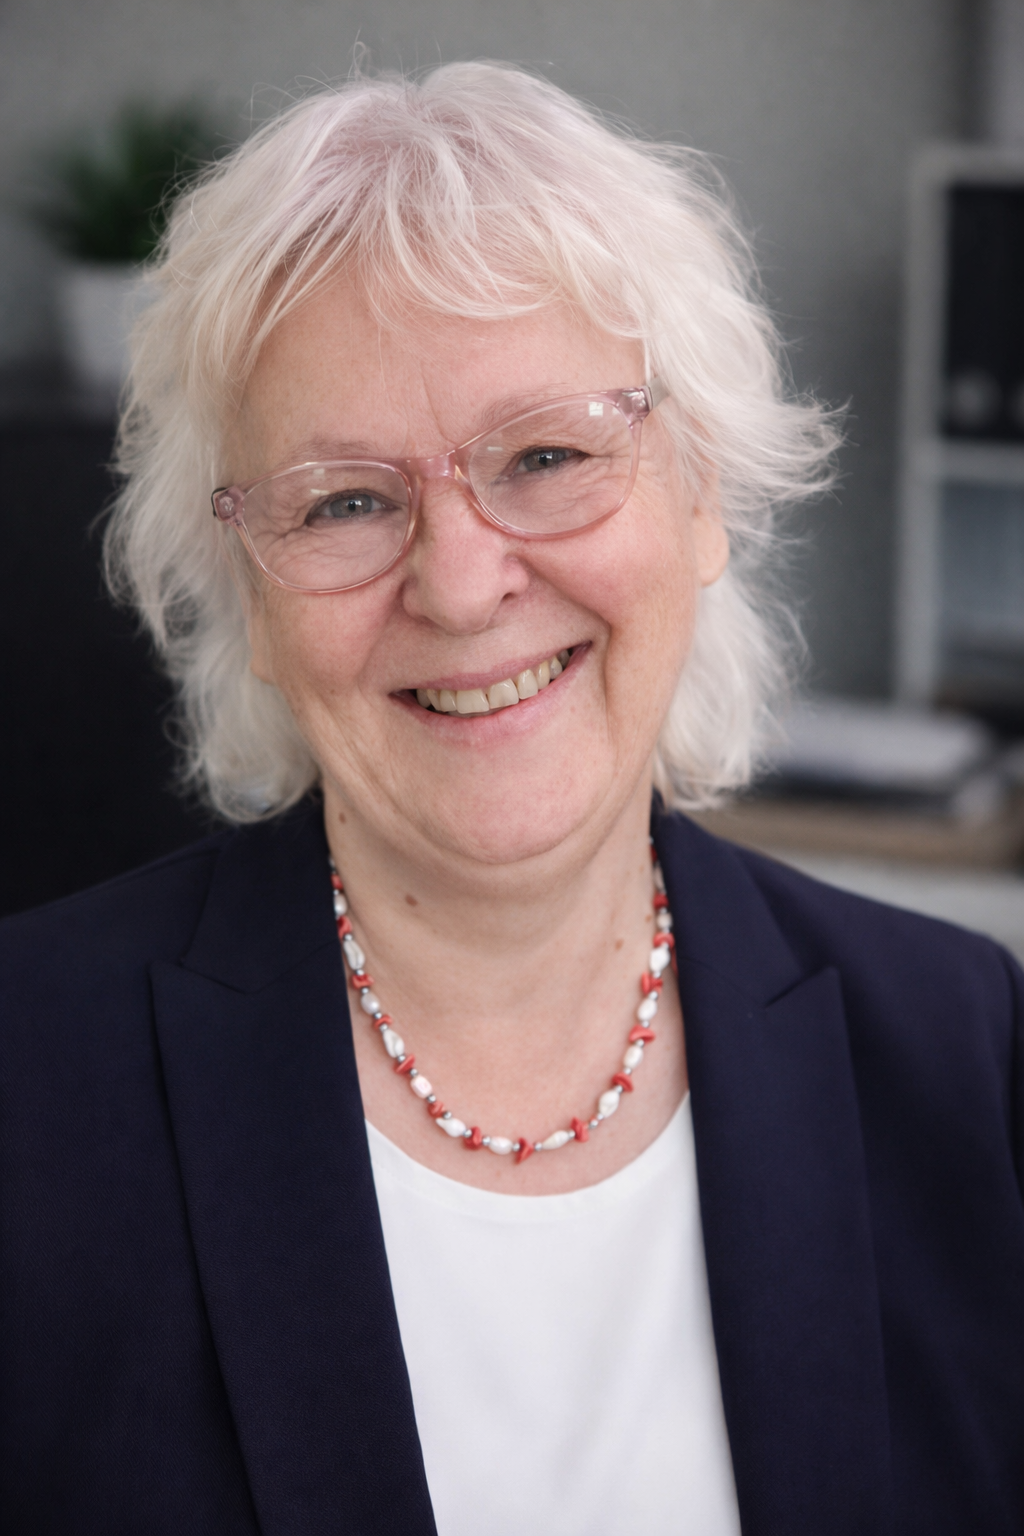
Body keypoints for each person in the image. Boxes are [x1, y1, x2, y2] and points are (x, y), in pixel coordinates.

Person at [2, 62, 1023, 1536]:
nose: (463, 582)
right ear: (250, 594)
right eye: (346, 499)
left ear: (702, 497)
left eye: (547, 456)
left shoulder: (963, 1059)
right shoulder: (27, 1087)